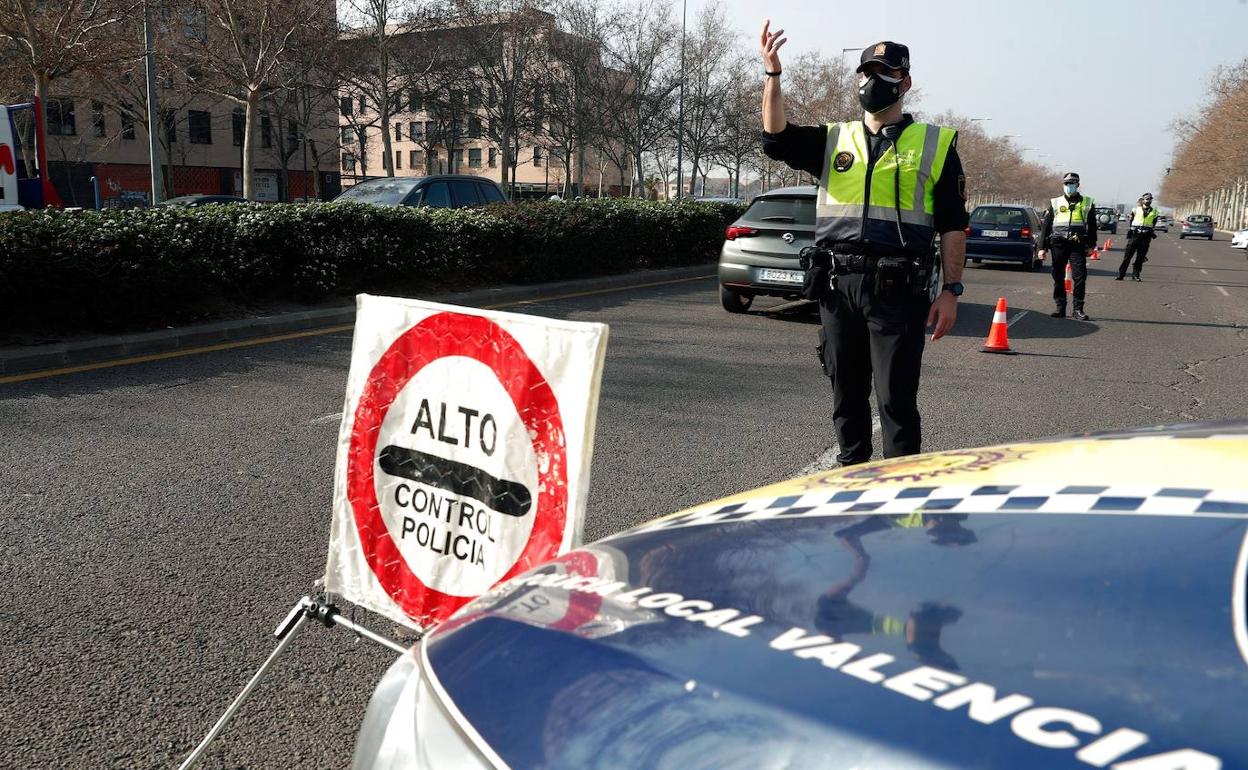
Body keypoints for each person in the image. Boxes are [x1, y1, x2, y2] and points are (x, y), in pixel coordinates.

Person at [759, 22, 968, 465]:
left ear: (905, 82)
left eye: (884, 73)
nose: (871, 82)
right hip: (837, 285)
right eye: (866, 72)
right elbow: (775, 139)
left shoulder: (935, 144)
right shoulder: (834, 139)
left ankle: (898, 502)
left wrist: (951, 291)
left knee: (895, 400)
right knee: (846, 396)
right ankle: (849, 489)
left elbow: (952, 224)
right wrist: (773, 76)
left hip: (898, 290)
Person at [1038, 172, 1097, 320]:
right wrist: (1041, 247)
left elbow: (1092, 226)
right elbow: (1046, 226)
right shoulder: (1055, 202)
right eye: (1067, 184)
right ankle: (1060, 307)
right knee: (1058, 276)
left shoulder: (1087, 202)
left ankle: (1078, 309)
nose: (1069, 186)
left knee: (1080, 276)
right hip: (1058, 243)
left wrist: (1091, 245)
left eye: (1072, 183)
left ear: (1078, 185)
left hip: (1077, 244)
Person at [1117, 193, 1158, 282]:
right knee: (1127, 256)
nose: (1149, 200)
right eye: (1147, 199)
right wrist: (1131, 231)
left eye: (1150, 199)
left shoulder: (1154, 211)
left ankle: (1136, 275)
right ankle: (1121, 274)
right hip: (1135, 235)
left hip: (1146, 236)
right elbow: (1131, 221)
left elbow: (1154, 223)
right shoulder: (1135, 209)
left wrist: (1151, 231)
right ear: (1142, 200)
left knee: (1140, 257)